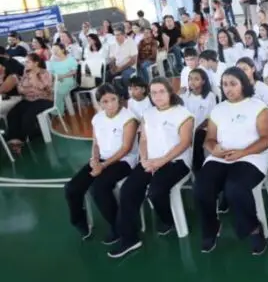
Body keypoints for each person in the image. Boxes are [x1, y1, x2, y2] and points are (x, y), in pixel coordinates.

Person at [108, 78, 194, 258]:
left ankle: (168, 219)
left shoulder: (183, 114)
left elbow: (185, 143)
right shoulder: (148, 114)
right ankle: (129, 239)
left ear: (170, 92)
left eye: (161, 91)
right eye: (153, 92)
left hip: (176, 162)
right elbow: (144, 140)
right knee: (128, 190)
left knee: (155, 191)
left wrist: (161, 161)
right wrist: (145, 159)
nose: (157, 96)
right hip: (151, 161)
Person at [194, 67, 268, 254]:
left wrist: (242, 152)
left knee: (235, 188)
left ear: (243, 84)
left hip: (252, 157)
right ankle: (211, 227)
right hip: (221, 158)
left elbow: (267, 139)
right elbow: (209, 139)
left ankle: (253, 228)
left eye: (233, 84)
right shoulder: (219, 109)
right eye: (224, 84)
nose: (228, 89)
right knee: (200, 189)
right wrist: (214, 149)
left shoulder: (258, 107)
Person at [64, 84, 138, 242]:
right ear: (99, 103)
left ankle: (117, 226)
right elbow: (95, 143)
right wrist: (94, 159)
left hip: (124, 161)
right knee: (72, 188)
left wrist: (103, 166)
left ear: (119, 99)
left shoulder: (128, 119)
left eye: (113, 99)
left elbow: (126, 148)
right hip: (102, 159)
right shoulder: (97, 118)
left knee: (99, 188)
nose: (110, 104)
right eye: (105, 101)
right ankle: (79, 221)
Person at [5, 54, 53, 154]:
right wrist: (29, 89)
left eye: (28, 62)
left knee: (27, 116)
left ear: (36, 63)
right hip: (28, 99)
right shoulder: (26, 72)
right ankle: (14, 139)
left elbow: (46, 91)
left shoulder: (44, 73)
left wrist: (34, 79)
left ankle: (21, 140)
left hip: (44, 99)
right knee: (12, 113)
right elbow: (20, 88)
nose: (25, 64)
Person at [181, 67, 216, 172]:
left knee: (198, 138)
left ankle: (199, 170)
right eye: (190, 79)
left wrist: (195, 129)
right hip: (187, 128)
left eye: (196, 79)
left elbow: (210, 118)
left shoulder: (210, 96)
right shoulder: (184, 96)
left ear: (203, 81)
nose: (192, 82)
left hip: (203, 128)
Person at [106, 25, 137, 97]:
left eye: (118, 35)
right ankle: (115, 95)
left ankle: (127, 96)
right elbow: (112, 59)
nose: (116, 37)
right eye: (115, 35)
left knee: (125, 76)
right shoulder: (113, 44)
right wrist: (113, 67)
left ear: (124, 34)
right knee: (107, 76)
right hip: (117, 66)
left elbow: (133, 60)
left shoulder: (131, 42)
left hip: (130, 66)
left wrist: (121, 68)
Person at [47, 43, 77, 114]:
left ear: (62, 50)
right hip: (57, 80)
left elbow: (74, 72)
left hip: (68, 80)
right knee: (50, 90)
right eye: (53, 50)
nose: (55, 52)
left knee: (57, 91)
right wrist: (55, 78)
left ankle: (57, 112)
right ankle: (56, 110)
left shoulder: (70, 59)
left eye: (57, 50)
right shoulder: (52, 61)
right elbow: (51, 73)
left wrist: (62, 76)